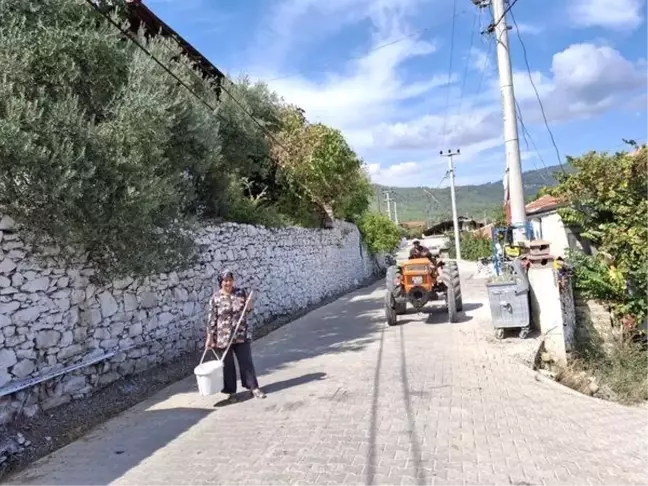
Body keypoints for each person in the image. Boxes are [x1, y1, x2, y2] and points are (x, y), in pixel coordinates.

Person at [205, 269, 266, 404]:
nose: (228, 283)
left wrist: (249, 303)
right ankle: (231, 393)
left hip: (241, 334)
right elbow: (212, 319)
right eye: (225, 280)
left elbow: (248, 310)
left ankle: (253, 388)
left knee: (246, 362)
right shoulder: (215, 298)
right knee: (227, 366)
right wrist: (210, 337)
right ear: (221, 282)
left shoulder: (240, 293)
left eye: (230, 280)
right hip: (223, 337)